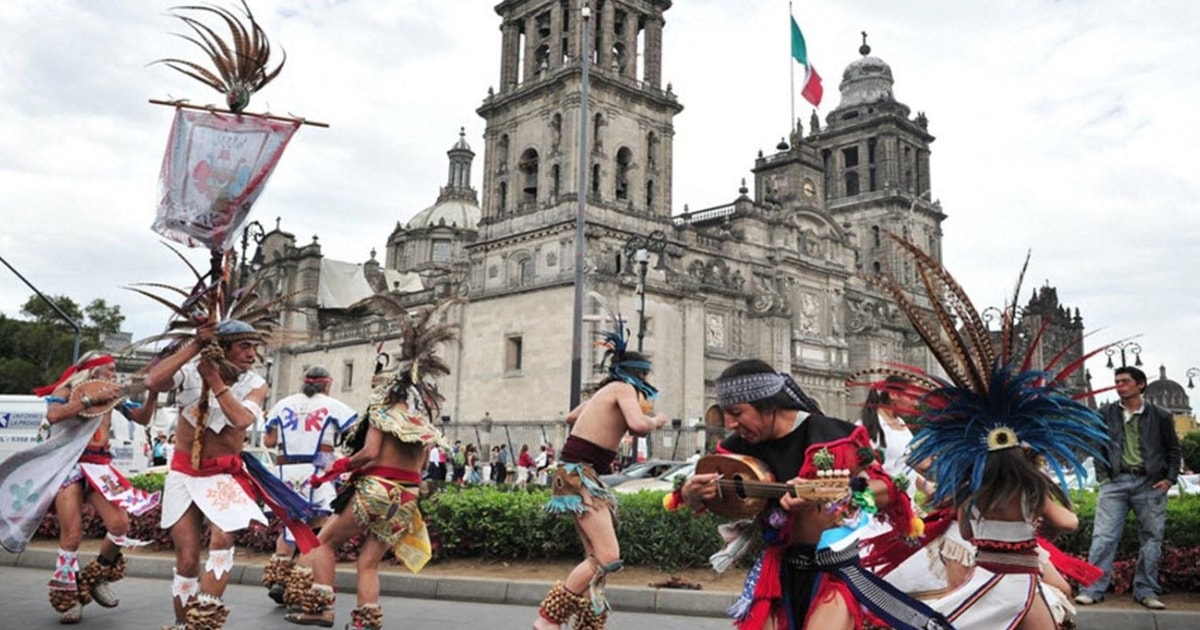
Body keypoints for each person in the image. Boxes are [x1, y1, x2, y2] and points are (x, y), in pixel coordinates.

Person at [862, 235, 1109, 629]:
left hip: (985, 579)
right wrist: (1034, 523)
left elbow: (963, 525)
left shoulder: (971, 489)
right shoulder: (1032, 489)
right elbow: (1068, 523)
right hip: (1024, 582)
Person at [676, 360, 943, 630]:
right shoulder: (736, 450)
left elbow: (886, 490)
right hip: (777, 569)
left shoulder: (834, 437)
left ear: (768, 405)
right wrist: (692, 494)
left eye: (737, 412)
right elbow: (713, 495)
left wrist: (844, 493)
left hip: (833, 569)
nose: (730, 424)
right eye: (725, 414)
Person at [283, 299, 455, 630]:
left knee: (323, 543)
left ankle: (320, 609)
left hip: (375, 491)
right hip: (405, 498)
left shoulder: (380, 412)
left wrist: (341, 466)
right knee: (369, 562)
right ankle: (366, 622)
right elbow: (421, 468)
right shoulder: (421, 425)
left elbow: (371, 452)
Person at [145, 319, 320, 630]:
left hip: (223, 475)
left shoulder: (255, 383)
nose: (252, 354)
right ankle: (184, 623)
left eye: (254, 347)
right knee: (186, 561)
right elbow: (153, 381)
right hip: (184, 475)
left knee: (223, 537)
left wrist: (214, 381)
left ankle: (203, 623)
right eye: (244, 346)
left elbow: (240, 420)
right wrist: (195, 346)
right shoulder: (189, 373)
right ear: (221, 349)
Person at [533, 325, 668, 630]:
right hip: (580, 473)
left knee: (595, 556)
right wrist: (656, 420)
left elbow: (570, 418)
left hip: (574, 473)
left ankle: (588, 623)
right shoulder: (624, 389)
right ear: (639, 375)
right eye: (646, 377)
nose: (647, 384)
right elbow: (637, 425)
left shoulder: (606, 391)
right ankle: (547, 620)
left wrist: (599, 411)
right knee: (607, 557)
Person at [26, 352, 162, 624]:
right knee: (72, 534)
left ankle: (98, 575)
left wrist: (153, 394)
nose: (114, 374)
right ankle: (68, 597)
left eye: (114, 370)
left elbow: (142, 418)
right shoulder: (67, 390)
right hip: (70, 465)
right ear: (93, 370)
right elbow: (54, 415)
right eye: (109, 369)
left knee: (120, 523)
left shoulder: (114, 394)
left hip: (100, 467)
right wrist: (90, 399)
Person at [1075, 365, 1181, 610]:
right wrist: (1103, 477)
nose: (1119, 385)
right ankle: (1091, 589)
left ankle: (1146, 590)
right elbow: (1097, 445)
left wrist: (1169, 480)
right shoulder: (1106, 413)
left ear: (1140, 384)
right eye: (1117, 381)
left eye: (1124, 381)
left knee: (1152, 539)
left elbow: (1174, 450)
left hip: (1150, 482)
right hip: (1116, 482)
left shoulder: (1161, 415)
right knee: (1103, 537)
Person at [260, 365, 358, 605]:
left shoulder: (282, 404)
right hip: (316, 473)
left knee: (290, 526)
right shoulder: (334, 406)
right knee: (318, 529)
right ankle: (299, 580)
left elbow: (269, 441)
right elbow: (354, 437)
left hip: (285, 472)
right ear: (327, 384)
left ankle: (279, 580)